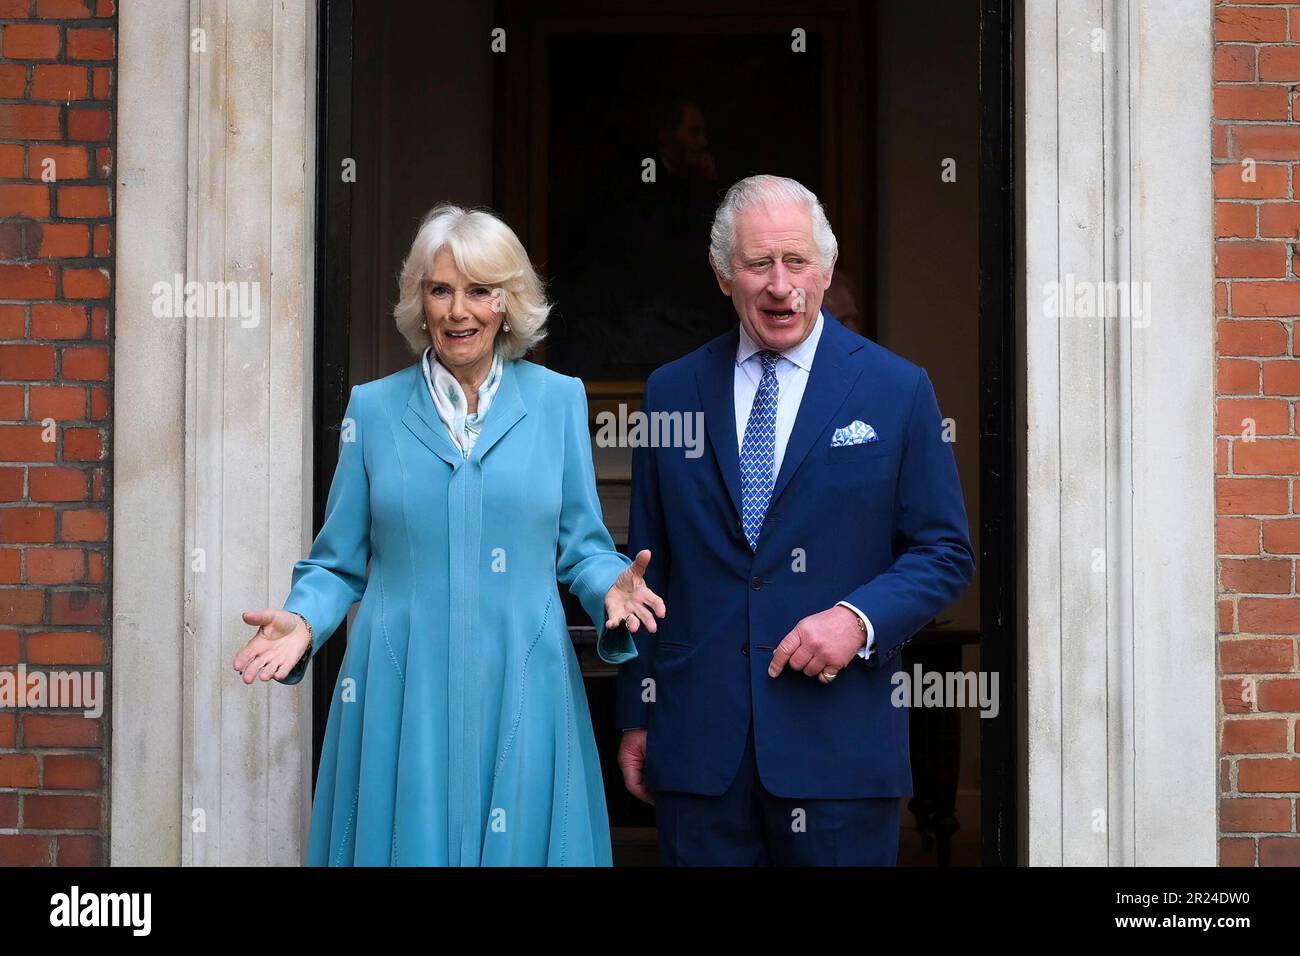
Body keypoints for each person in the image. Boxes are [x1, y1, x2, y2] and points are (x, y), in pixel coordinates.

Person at [233, 203, 665, 866]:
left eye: (480, 291)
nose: (458, 310)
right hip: (401, 680)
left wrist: (609, 584)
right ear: (419, 301)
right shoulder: (373, 411)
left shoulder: (557, 401)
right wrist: (303, 619)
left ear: (508, 303)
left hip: (523, 671)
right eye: (440, 290)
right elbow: (337, 563)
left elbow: (580, 543)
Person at [616, 174, 975, 866]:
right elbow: (644, 570)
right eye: (758, 264)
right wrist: (638, 712)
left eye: (797, 261)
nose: (781, 285)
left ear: (827, 267)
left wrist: (857, 619)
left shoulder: (898, 389)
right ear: (724, 276)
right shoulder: (671, 391)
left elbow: (944, 551)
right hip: (699, 752)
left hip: (838, 749)